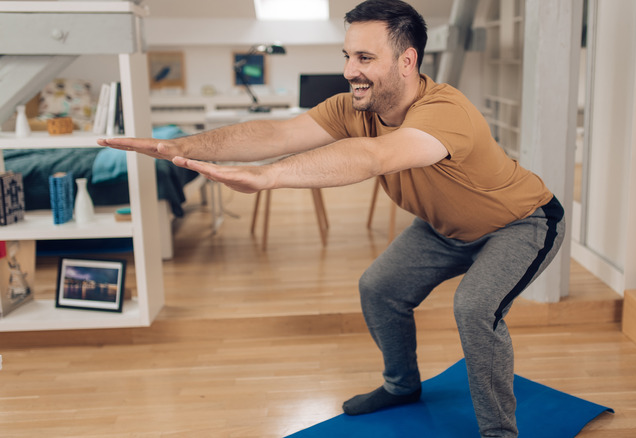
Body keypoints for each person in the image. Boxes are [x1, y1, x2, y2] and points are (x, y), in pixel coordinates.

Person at [99, 1, 565, 436]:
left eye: (364, 57)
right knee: (379, 289)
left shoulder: (445, 111)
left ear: (407, 60)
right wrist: (183, 145)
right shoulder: (352, 107)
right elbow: (278, 133)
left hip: (520, 224)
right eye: (347, 55)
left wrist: (269, 179)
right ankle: (401, 386)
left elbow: (372, 156)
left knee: (475, 307)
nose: (349, 71)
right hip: (444, 228)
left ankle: (499, 431)